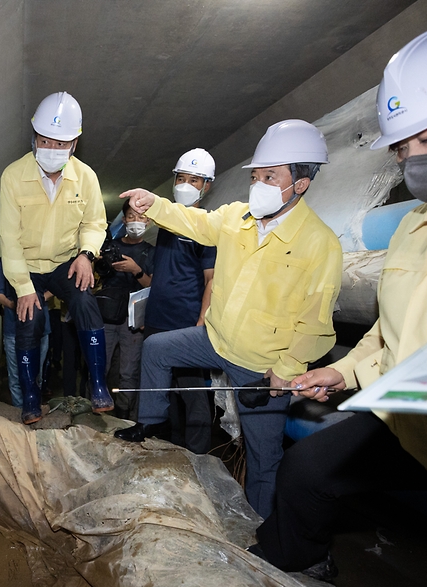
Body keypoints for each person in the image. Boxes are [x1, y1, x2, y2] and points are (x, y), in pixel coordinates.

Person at [252, 21, 427, 587]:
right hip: (418, 422)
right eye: (402, 148)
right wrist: (339, 372)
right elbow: (390, 330)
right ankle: (287, 578)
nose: (413, 159)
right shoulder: (418, 226)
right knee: (310, 472)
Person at [120, 119, 343, 518]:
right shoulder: (237, 217)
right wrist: (154, 204)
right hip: (215, 339)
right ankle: (150, 423)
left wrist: (287, 369)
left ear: (301, 182)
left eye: (270, 176)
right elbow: (197, 222)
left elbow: (315, 319)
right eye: (255, 176)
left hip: (261, 364)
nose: (258, 184)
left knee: (264, 456)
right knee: (156, 348)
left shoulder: (319, 242)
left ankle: (262, 532)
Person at [0, 91, 113, 424]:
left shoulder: (86, 178)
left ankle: (97, 384)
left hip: (66, 262)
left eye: (60, 144)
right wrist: (22, 287)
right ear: (34, 138)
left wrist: (86, 255)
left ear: (74, 144)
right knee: (30, 318)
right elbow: (9, 237)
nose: (51, 150)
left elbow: (94, 223)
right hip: (29, 266)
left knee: (84, 300)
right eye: (45, 141)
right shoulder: (12, 177)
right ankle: (31, 398)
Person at [115, 149, 217, 453]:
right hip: (157, 319)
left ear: (207, 186)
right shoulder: (167, 225)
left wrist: (201, 323)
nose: (185, 184)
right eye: (181, 178)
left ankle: (198, 454)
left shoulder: (206, 228)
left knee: (192, 392)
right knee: (163, 390)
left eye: (194, 180)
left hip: (185, 323)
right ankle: (169, 448)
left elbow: (212, 280)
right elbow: (164, 274)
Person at [94, 200, 155, 419]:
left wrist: (136, 270)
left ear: (148, 221)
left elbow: (152, 286)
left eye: (141, 217)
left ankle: (124, 416)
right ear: (124, 219)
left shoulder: (151, 252)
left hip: (134, 320)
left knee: (129, 371)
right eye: (131, 216)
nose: (136, 222)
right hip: (107, 316)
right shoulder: (111, 247)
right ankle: (94, 410)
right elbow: (93, 280)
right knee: (100, 365)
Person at [0, 258, 50, 408]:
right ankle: (20, 413)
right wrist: (15, 304)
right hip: (13, 329)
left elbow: (53, 288)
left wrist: (34, 301)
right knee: (16, 376)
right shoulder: (5, 261)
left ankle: (34, 409)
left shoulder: (42, 257)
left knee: (37, 374)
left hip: (40, 330)